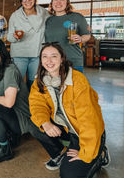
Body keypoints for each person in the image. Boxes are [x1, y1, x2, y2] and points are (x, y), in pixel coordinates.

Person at [29, 42, 110, 177]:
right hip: (66, 129)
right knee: (35, 124)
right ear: (41, 60)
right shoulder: (40, 81)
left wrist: (85, 153)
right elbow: (37, 105)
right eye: (45, 57)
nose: (49, 61)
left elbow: (89, 120)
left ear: (62, 59)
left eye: (54, 56)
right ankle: (60, 154)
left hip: (84, 133)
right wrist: (45, 122)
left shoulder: (78, 81)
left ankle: (99, 155)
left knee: (69, 174)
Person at [7, 0, 49, 89]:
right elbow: (9, 37)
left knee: (34, 83)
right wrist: (15, 37)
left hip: (37, 54)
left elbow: (54, 25)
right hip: (19, 55)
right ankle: (18, 104)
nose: (27, 1)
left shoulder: (44, 13)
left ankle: (32, 104)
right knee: (17, 83)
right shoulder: (15, 15)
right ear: (21, 1)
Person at [45, 0, 91, 73]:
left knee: (75, 86)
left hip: (73, 61)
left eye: (62, 0)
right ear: (52, 3)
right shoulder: (49, 20)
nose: (58, 3)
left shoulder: (78, 17)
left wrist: (80, 39)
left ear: (67, 3)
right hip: (53, 63)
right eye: (55, 0)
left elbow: (87, 35)